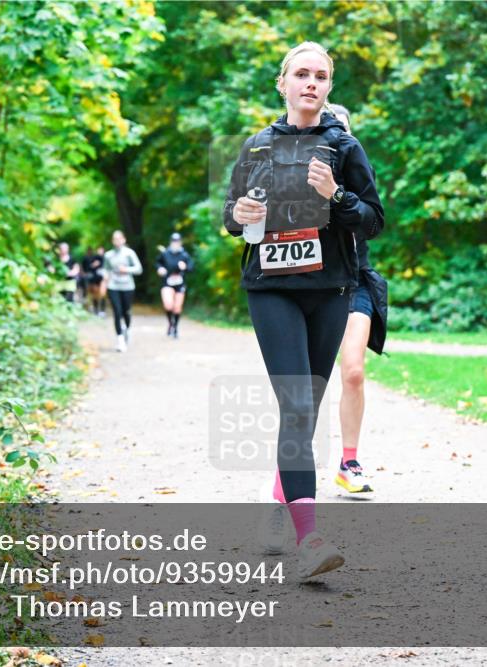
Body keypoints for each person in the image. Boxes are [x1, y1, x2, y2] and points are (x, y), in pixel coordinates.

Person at [223, 42, 384, 578]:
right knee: (296, 403)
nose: (310, 83)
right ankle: (310, 538)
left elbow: (372, 219)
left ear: (329, 87)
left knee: (307, 408)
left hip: (331, 288)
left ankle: (281, 501)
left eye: (320, 76)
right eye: (301, 74)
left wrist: (336, 195)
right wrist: (240, 212)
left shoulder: (345, 147)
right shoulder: (257, 148)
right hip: (271, 288)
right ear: (283, 84)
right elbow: (231, 217)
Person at [328, 103, 389, 497]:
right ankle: (291, 468)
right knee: (306, 384)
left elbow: (373, 220)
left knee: (352, 371)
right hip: (313, 286)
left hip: (354, 283)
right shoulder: (296, 177)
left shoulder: (357, 176)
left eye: (345, 130)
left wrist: (339, 196)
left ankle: (348, 462)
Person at [103, 230, 142, 352]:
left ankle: (127, 329)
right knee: (117, 312)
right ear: (112, 241)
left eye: (119, 238)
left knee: (126, 312)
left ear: (124, 239)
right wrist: (105, 276)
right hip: (113, 286)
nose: (117, 241)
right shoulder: (108, 255)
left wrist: (126, 269)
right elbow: (105, 269)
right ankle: (120, 340)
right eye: (115, 239)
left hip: (127, 286)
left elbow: (139, 269)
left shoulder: (129, 253)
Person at [156, 232, 194, 338]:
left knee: (177, 307)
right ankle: (170, 323)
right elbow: (158, 263)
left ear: (180, 243)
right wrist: (160, 268)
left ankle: (175, 328)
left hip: (179, 284)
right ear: (171, 242)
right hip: (167, 282)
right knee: (168, 305)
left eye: (177, 242)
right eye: (173, 241)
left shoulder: (184, 255)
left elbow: (191, 268)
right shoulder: (165, 253)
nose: (175, 244)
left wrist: (185, 267)